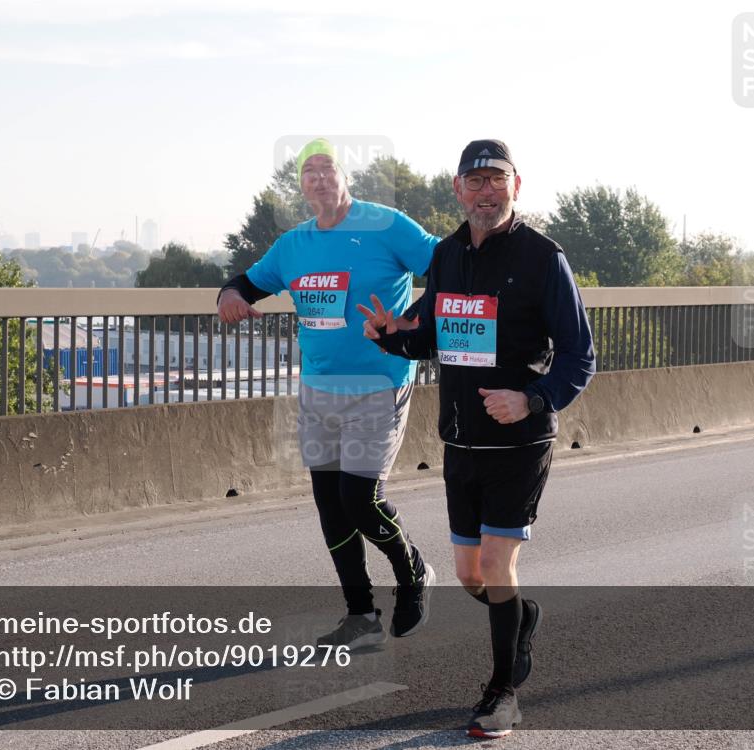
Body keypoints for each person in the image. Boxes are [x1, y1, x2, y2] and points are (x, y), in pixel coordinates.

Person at [359, 139, 595, 738]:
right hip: (460, 441)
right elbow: (431, 334)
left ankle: (502, 694)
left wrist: (532, 398)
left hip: (519, 442)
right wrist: (391, 336)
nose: (486, 191)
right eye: (475, 181)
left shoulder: (544, 258)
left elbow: (579, 356)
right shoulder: (446, 256)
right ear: (458, 190)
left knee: (495, 563)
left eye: (497, 179)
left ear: (517, 186)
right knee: (471, 577)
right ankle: (521, 618)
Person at [217, 138, 438, 648]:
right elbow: (246, 284)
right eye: (308, 171)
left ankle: (413, 573)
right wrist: (228, 296)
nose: (318, 177)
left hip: (379, 384)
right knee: (330, 505)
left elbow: (448, 267)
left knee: (361, 499)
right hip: (318, 391)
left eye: (327, 167)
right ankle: (360, 617)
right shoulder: (294, 244)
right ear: (300, 186)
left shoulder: (385, 225)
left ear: (345, 177)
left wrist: (410, 323)